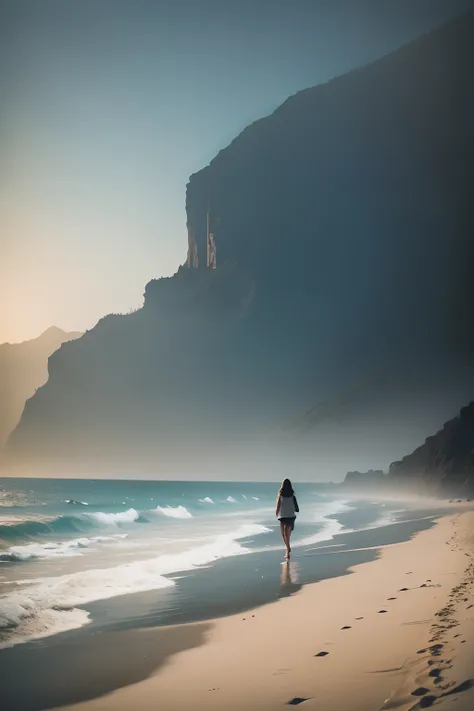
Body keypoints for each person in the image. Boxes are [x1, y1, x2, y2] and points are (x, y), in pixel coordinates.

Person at [275, 478, 299, 559]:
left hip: (285, 516)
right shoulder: (291, 495)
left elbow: (278, 504)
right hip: (288, 516)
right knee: (286, 535)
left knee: (284, 534)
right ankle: (288, 548)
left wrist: (276, 513)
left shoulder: (282, 494)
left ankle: (288, 550)